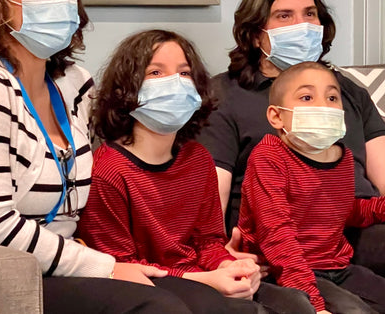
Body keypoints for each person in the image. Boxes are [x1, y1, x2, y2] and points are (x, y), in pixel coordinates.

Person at [0, 0, 230, 314]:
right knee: (160, 308)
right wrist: (105, 267)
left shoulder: (73, 84)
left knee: (212, 303)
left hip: (73, 266)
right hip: (4, 278)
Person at [77, 29, 317, 314]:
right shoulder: (107, 171)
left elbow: (208, 242)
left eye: (184, 73)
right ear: (127, 89)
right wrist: (207, 280)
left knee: (297, 305)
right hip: (150, 289)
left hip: (201, 277)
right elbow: (121, 266)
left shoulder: (198, 159)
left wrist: (230, 266)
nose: (174, 83)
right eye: (156, 72)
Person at [196, 0, 385, 281]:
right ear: (255, 34)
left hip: (357, 225)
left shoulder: (347, 91)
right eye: (284, 16)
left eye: (310, 14)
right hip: (280, 237)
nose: (302, 26)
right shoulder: (226, 95)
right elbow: (212, 191)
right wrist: (220, 253)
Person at [236, 61, 385, 314]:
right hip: (281, 271)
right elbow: (276, 234)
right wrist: (315, 303)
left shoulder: (342, 157)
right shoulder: (269, 157)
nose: (323, 105)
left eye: (332, 97)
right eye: (306, 97)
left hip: (337, 266)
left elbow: (343, 209)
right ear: (276, 116)